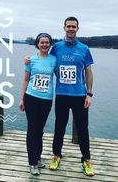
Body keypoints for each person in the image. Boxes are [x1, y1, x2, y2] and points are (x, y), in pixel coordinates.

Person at [25, 17, 95, 176]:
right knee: (59, 127)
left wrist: (89, 94)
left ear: (78, 28)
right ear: (64, 28)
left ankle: (86, 159)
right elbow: (43, 58)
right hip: (61, 95)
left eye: (74, 26)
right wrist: (28, 59)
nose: (71, 29)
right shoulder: (56, 47)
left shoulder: (84, 49)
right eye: (68, 26)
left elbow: (89, 73)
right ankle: (56, 155)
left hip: (80, 95)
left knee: (83, 128)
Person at [19, 33, 56, 175]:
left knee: (40, 130)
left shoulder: (54, 60)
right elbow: (25, 80)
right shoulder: (30, 60)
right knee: (32, 130)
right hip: (31, 98)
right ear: (38, 44)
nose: (45, 44)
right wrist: (22, 99)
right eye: (42, 42)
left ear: (50, 44)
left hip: (46, 100)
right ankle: (32, 162)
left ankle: (38, 158)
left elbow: (61, 75)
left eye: (47, 42)